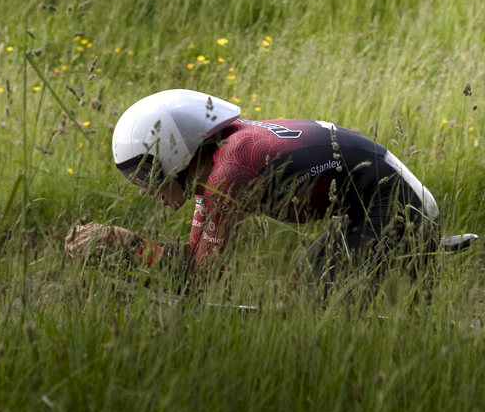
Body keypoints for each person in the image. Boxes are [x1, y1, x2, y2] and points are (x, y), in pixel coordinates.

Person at [65, 89, 448, 289]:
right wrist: (127, 252)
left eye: (146, 175)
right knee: (301, 291)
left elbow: (198, 280)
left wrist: (125, 243)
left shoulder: (230, 171)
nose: (145, 191)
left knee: (318, 303)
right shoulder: (216, 164)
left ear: (175, 153)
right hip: (374, 204)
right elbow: (192, 262)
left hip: (400, 207)